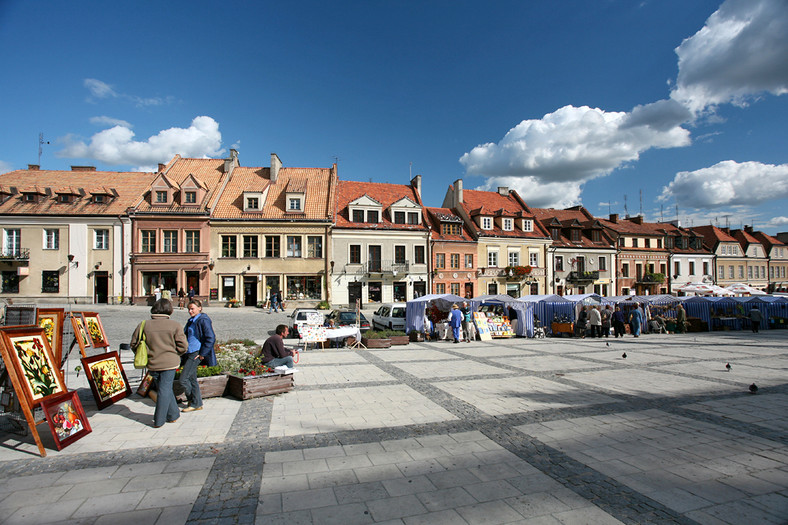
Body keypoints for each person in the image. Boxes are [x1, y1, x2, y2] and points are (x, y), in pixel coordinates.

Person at [130, 299, 188, 428]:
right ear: (169, 310)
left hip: (152, 363)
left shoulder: (144, 325)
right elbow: (183, 346)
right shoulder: (175, 325)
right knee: (165, 389)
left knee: (163, 388)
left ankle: (173, 414)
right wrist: (175, 353)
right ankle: (159, 420)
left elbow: (134, 344)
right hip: (170, 362)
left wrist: (146, 354)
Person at [180, 299, 216, 413]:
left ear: (199, 308)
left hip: (196, 352)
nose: (190, 311)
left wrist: (202, 354)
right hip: (189, 351)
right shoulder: (191, 320)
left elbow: (210, 337)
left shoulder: (203, 320)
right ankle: (196, 403)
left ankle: (194, 401)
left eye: (192, 309)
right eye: (189, 309)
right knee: (192, 379)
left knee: (183, 379)